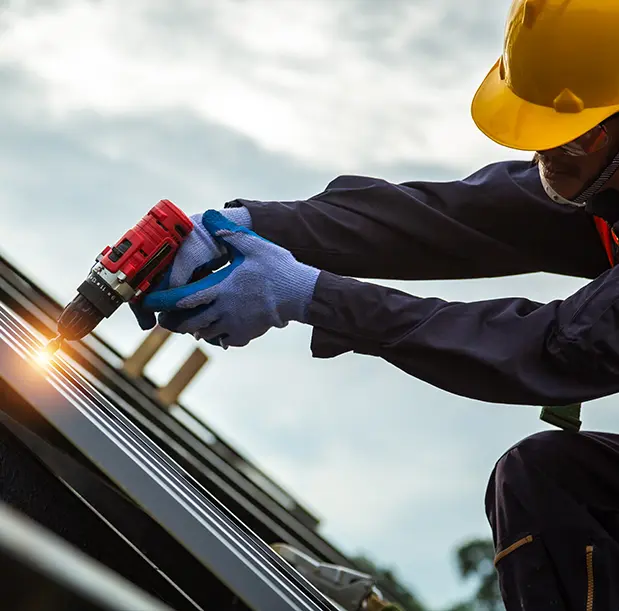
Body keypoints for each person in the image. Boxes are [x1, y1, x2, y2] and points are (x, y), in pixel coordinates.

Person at [131, 1, 619, 609]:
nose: (549, 161)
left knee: (557, 480)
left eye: (570, 142)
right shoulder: (604, 175)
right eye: (542, 139)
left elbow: (554, 347)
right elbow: (445, 220)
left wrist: (308, 294)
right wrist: (247, 227)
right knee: (547, 481)